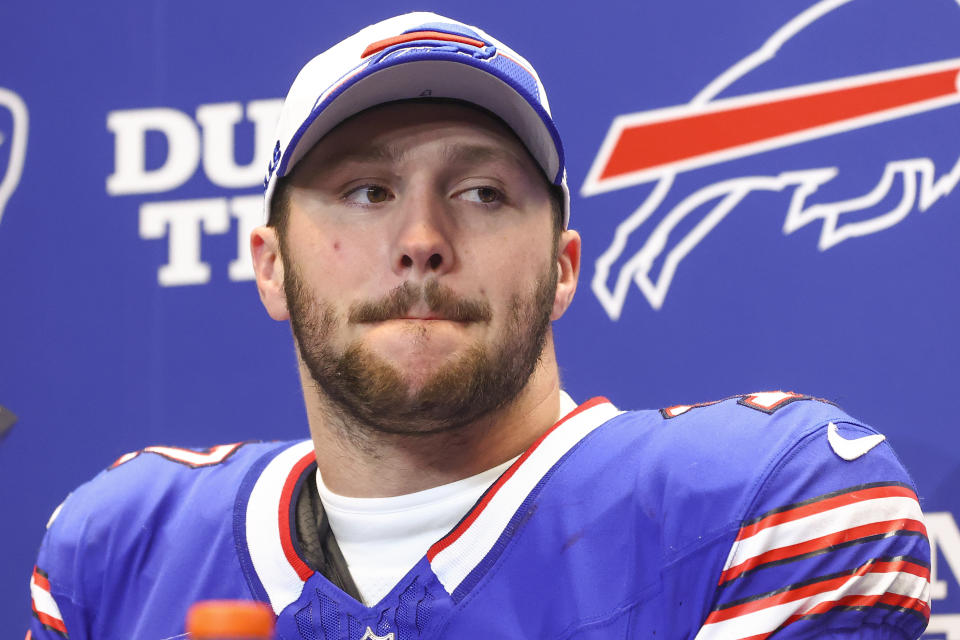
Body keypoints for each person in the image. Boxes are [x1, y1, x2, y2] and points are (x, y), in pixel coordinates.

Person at [29, 12, 930, 640]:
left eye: (481, 193)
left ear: (564, 268)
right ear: (271, 264)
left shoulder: (761, 505)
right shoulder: (120, 555)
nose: (421, 241)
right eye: (367, 192)